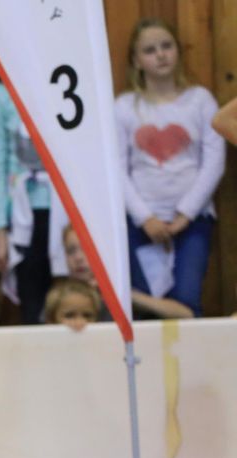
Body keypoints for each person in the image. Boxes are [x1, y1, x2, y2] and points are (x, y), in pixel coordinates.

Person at [116, 18, 224, 318]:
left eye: (166, 46)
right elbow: (116, 169)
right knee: (143, 304)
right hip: (140, 223)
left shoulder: (200, 101)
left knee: (186, 301)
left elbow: (214, 162)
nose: (161, 55)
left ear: (178, 51)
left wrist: (186, 213)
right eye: (150, 50)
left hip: (193, 221)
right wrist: (145, 217)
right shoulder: (125, 107)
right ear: (136, 60)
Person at [0, 82, 60, 323]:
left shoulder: (64, 80)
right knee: (32, 305)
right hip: (20, 217)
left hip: (68, 215)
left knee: (74, 298)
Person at [61, 222, 192, 320]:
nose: (78, 258)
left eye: (86, 249)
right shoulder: (60, 295)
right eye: (71, 251)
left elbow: (186, 315)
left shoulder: (122, 289)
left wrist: (123, 295)